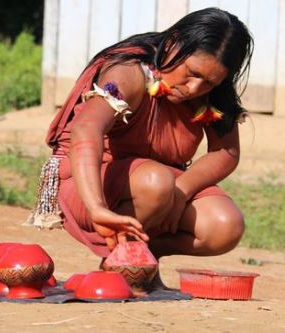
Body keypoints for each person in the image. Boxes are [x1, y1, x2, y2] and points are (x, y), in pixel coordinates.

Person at [25, 7, 254, 288]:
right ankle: (119, 267)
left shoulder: (211, 92)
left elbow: (225, 152)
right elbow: (87, 129)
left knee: (224, 225)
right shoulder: (129, 73)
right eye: (192, 73)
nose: (194, 88)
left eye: (209, 82)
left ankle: (141, 258)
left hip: (158, 186)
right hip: (89, 182)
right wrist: (97, 208)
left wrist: (181, 192)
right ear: (172, 44)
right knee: (155, 182)